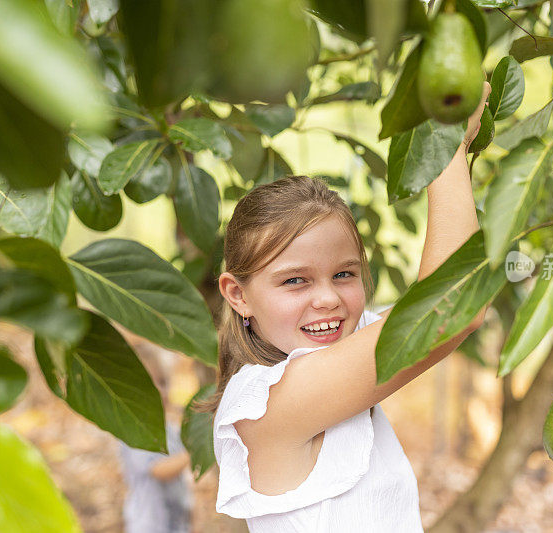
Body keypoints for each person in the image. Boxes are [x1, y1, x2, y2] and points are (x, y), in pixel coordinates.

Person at [199, 83, 492, 532]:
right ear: (238, 295)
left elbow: (439, 300)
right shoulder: (267, 404)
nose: (329, 299)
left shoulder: (333, 352)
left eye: (344, 274)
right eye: (295, 281)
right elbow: (451, 308)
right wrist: (446, 145)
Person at [119, 342, 193, 533]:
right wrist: (192, 453)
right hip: (150, 523)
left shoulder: (166, 427)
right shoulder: (133, 430)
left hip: (175, 520)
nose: (160, 391)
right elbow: (159, 470)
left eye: (161, 382)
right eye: (148, 386)